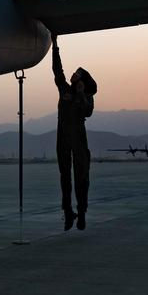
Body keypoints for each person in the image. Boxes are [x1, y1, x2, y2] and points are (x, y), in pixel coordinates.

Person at [51, 33, 96, 231]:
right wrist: (55, 45)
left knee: (81, 176)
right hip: (63, 136)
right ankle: (68, 212)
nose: (73, 74)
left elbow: (88, 112)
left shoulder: (85, 96)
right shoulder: (63, 89)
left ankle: (82, 213)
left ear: (82, 80)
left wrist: (80, 95)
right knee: (65, 177)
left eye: (77, 74)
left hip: (79, 138)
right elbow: (56, 69)